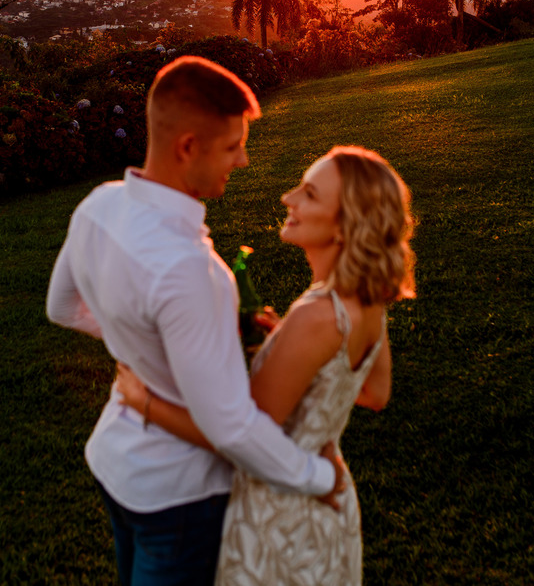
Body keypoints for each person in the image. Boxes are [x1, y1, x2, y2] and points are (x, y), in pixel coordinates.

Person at [45, 55, 345, 586]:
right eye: (232, 147)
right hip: (181, 497)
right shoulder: (192, 271)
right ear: (188, 147)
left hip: (116, 464)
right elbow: (229, 426)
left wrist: (143, 338)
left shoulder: (97, 207)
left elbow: (63, 308)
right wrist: (320, 477)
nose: (244, 160)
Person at [115, 145, 416, 585]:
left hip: (282, 517)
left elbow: (239, 434)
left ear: (344, 226)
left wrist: (142, 401)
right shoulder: (367, 299)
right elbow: (374, 392)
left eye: (309, 194)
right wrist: (286, 344)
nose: (287, 198)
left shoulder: (315, 317)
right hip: (328, 510)